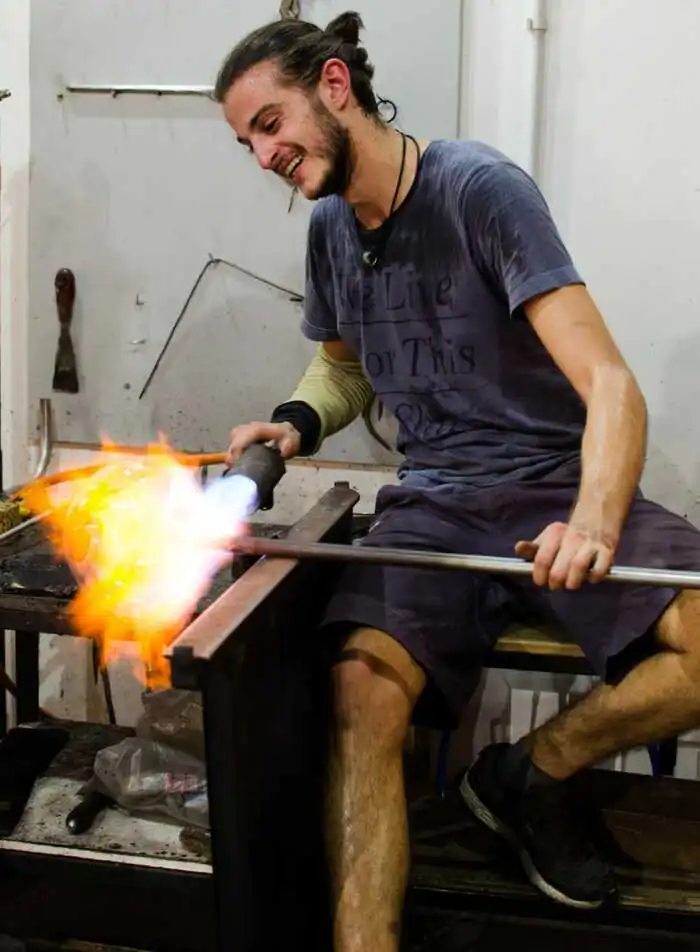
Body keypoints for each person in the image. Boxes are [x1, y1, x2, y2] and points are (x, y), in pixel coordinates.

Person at [216, 11, 700, 952]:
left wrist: (594, 521)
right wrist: (299, 419)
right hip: (433, 498)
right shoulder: (326, 229)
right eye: (246, 142)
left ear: (333, 85)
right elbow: (346, 361)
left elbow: (610, 384)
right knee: (360, 695)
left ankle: (529, 772)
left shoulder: (479, 189)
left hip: (556, 481)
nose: (261, 154)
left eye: (270, 124)